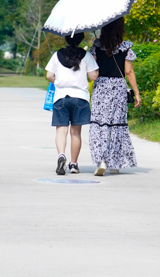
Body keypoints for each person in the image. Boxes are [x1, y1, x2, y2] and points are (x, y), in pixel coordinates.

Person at [88, 17, 141, 176]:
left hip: (101, 87)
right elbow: (129, 72)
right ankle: (115, 163)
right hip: (118, 87)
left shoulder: (96, 46)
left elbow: (93, 72)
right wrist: (136, 92)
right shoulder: (126, 47)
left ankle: (100, 161)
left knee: (99, 124)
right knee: (116, 123)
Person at [45, 32, 99, 175]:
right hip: (80, 98)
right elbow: (94, 76)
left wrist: (57, 79)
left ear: (66, 38)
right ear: (81, 39)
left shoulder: (57, 55)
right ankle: (74, 164)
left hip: (61, 97)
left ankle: (61, 155)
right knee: (76, 133)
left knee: (61, 131)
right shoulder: (86, 55)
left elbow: (49, 75)